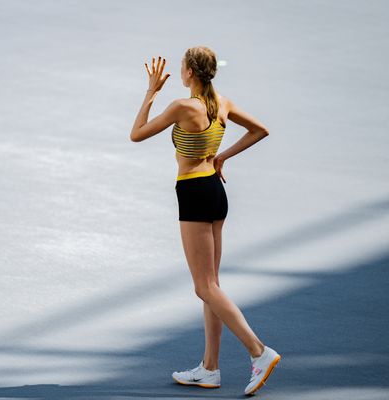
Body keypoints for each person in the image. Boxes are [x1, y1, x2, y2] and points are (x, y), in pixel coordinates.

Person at [129, 46, 281, 396]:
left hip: (194, 194)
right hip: (215, 191)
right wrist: (222, 157)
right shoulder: (222, 103)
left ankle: (259, 352)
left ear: (189, 74)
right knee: (212, 285)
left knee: (204, 287)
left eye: (182, 67)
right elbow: (260, 130)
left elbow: (136, 134)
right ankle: (210, 368)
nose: (179, 72)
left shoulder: (183, 106)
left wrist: (150, 93)